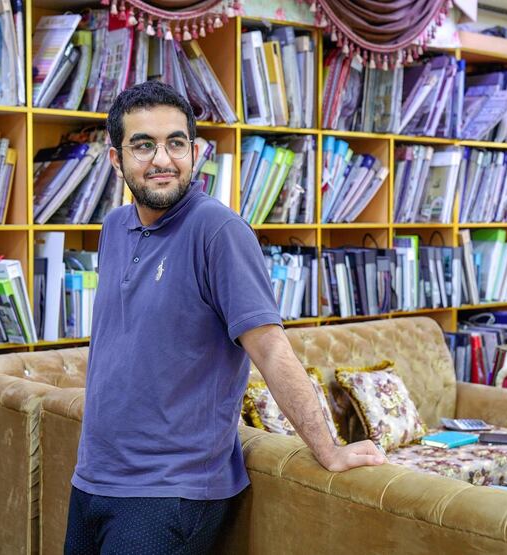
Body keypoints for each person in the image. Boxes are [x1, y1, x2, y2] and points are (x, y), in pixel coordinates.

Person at [64, 80, 386, 554]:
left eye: (176, 143)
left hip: (171, 491)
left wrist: (330, 449)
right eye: (143, 145)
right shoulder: (114, 226)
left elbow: (272, 350)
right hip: (94, 476)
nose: (162, 159)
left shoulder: (219, 231)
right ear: (117, 160)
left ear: (195, 152)